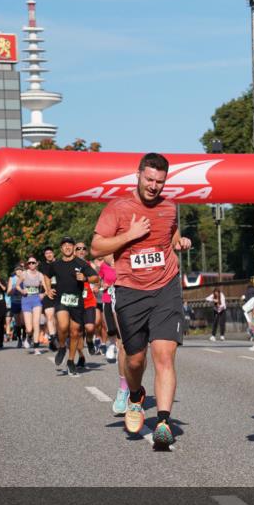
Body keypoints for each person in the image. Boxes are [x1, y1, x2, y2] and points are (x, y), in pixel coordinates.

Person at [91, 153, 192, 448]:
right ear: (138, 175)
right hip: (130, 291)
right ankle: (135, 396)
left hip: (165, 289)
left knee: (164, 355)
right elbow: (96, 247)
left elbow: (171, 234)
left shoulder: (170, 207)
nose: (153, 186)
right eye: (149, 179)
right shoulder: (118, 208)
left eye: (159, 181)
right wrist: (129, 235)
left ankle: (163, 422)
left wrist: (180, 243)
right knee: (135, 360)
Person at [50, 236, 98, 377]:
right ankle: (62, 347)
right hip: (62, 300)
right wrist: (48, 289)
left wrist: (85, 278)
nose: (67, 247)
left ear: (73, 247)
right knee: (63, 325)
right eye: (64, 245)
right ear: (61, 248)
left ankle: (71, 361)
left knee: (75, 332)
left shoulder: (81, 263)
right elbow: (46, 275)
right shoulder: (56, 264)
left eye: (70, 244)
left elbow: (96, 277)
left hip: (77, 302)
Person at [19, 256, 50, 354]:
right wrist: (22, 290)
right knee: (29, 328)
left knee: (36, 324)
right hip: (26, 300)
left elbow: (47, 289)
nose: (31, 264)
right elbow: (17, 286)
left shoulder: (40, 275)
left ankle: (36, 348)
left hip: (36, 300)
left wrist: (43, 294)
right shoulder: (24, 274)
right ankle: (28, 337)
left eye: (33, 262)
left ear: (36, 264)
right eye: (29, 263)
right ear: (27, 265)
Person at [41, 246, 58, 350]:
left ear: (53, 253)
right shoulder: (43, 266)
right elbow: (43, 279)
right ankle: (53, 338)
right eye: (46, 253)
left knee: (58, 317)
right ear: (45, 255)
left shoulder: (59, 263)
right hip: (48, 293)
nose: (49, 255)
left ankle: (59, 336)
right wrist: (47, 290)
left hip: (59, 292)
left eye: (50, 253)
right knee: (49, 315)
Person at [6, 263, 25, 345]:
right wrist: (13, 290)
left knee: (23, 321)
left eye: (20, 270)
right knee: (17, 322)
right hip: (15, 302)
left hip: (24, 302)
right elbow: (8, 293)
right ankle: (19, 339)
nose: (19, 271)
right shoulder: (12, 279)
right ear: (15, 271)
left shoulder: (25, 278)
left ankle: (25, 338)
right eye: (17, 270)